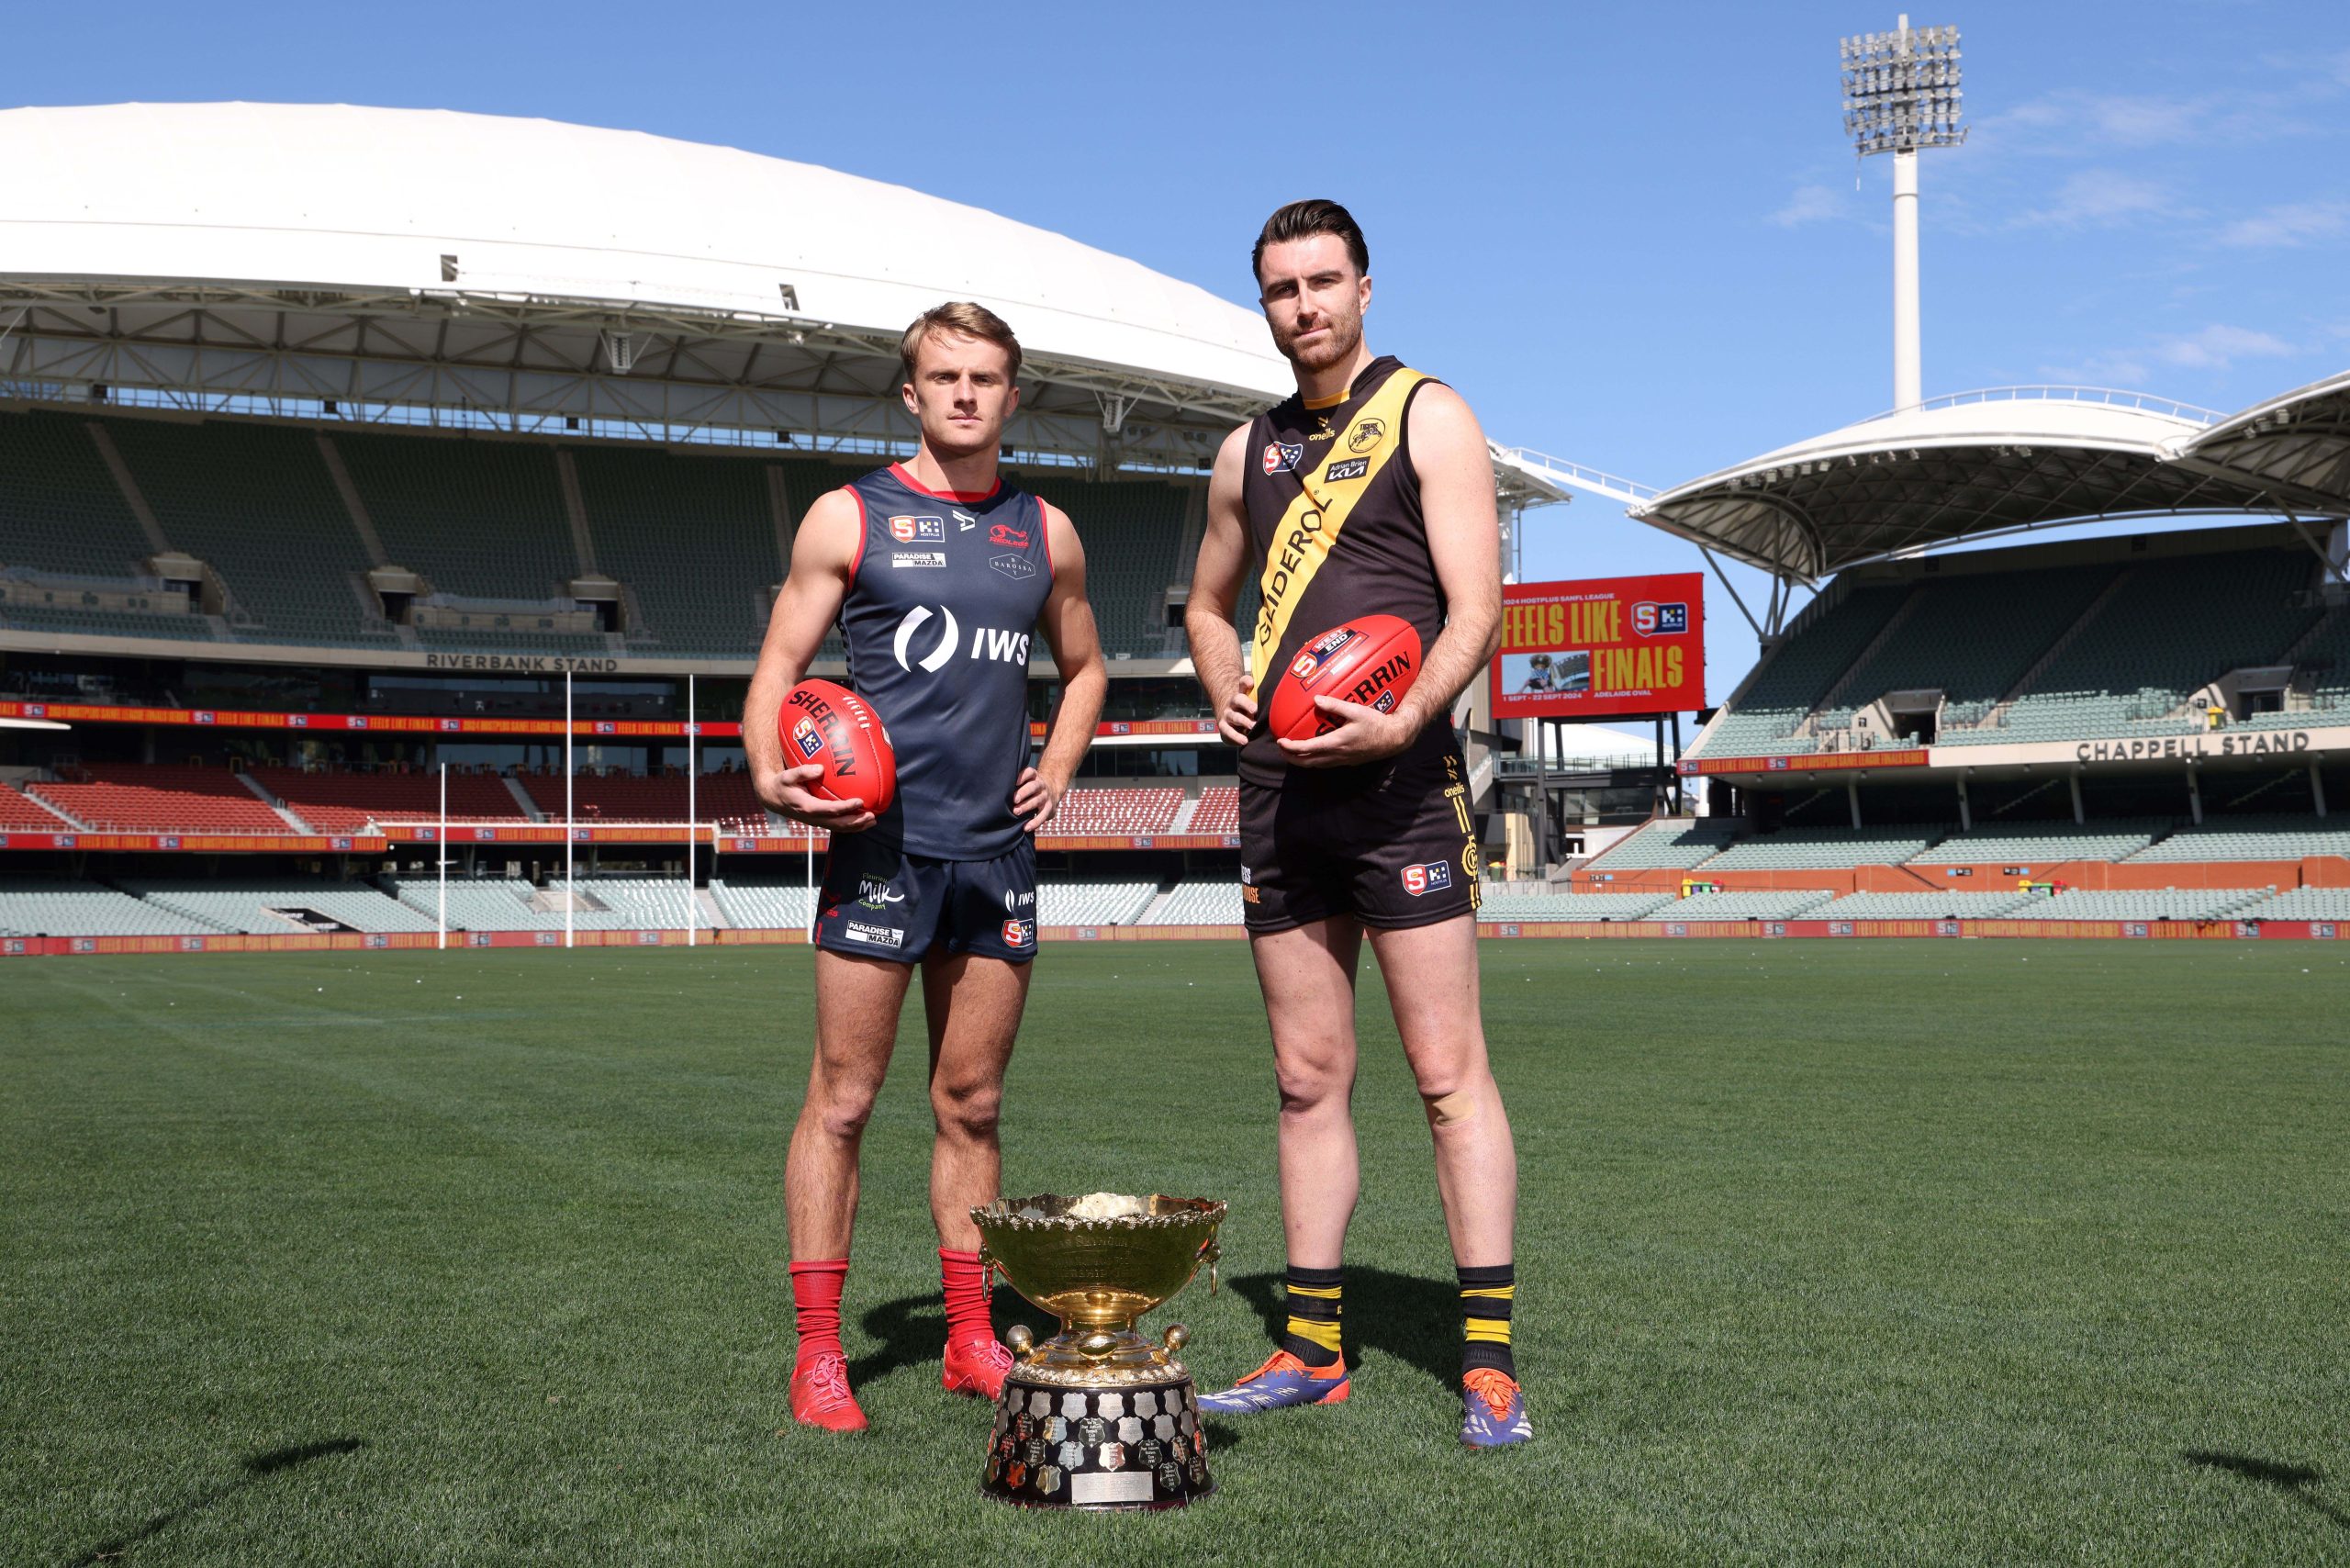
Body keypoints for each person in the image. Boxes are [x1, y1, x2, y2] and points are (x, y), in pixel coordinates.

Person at [1182, 200, 1529, 1448]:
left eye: (1324, 282)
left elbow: (1478, 605)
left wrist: (1408, 721)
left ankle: (1486, 1360)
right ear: (1265, 304)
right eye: (1282, 289)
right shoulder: (1243, 453)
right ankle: (1311, 1347)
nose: (1305, 307)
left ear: (1366, 289)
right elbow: (1207, 600)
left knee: (1447, 1076)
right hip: (1279, 792)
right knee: (1304, 1078)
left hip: (1399, 788)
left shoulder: (1428, 413)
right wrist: (1220, 661)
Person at [744, 302, 1108, 1434]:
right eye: (943, 376)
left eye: (985, 377)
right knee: (843, 1100)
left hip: (995, 855)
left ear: (1012, 394)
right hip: (882, 849)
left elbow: (1087, 666)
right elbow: (777, 663)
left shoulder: (1045, 531)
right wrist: (766, 765)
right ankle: (819, 1355)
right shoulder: (846, 517)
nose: (963, 394)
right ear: (910, 393)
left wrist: (1059, 760)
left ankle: (967, 1338)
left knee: (974, 1103)